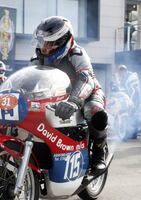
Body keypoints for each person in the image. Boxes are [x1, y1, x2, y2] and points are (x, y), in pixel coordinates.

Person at [31, 16, 107, 175]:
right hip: (59, 96)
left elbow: (86, 78)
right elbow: (31, 81)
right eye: (42, 42)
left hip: (87, 93)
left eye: (49, 43)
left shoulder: (77, 53)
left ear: (63, 40)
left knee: (93, 111)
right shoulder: (38, 58)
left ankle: (99, 153)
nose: (44, 48)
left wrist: (73, 101)